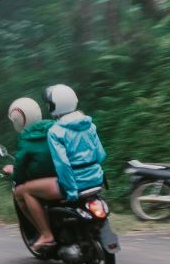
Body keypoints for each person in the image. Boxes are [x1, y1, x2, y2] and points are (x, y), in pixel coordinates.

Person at [16, 84, 106, 251]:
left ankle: (46, 235)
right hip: (96, 180)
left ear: (55, 106)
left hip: (74, 184)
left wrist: (71, 191)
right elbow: (101, 155)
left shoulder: (56, 131)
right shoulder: (89, 125)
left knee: (26, 190)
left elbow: (63, 165)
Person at [4, 97, 56, 231]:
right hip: (64, 178)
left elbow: (19, 175)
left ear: (17, 120)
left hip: (49, 183)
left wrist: (12, 172)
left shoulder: (26, 140)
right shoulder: (56, 126)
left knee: (21, 192)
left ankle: (44, 232)